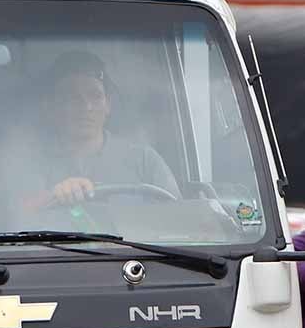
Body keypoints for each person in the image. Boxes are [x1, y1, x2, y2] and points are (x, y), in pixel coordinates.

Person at [16, 51, 181, 211]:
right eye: (73, 97)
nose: (86, 107)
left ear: (108, 105)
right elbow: (13, 217)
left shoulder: (144, 160)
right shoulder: (29, 161)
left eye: (95, 96)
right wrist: (54, 195)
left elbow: (180, 221)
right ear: (51, 107)